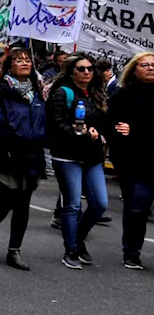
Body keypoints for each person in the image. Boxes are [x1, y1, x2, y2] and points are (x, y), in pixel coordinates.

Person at [0, 46, 46, 271]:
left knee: (23, 203)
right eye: (19, 60)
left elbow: (43, 122)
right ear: (9, 65)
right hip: (7, 155)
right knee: (5, 201)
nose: (25, 63)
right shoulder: (0, 90)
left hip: (32, 155)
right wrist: (7, 139)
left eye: (28, 60)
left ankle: (14, 250)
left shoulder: (37, 91)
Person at [46, 53, 108, 270]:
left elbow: (104, 122)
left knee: (100, 203)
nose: (87, 72)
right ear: (71, 71)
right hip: (67, 155)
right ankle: (71, 249)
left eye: (90, 68)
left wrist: (103, 133)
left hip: (92, 156)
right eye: (81, 69)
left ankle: (78, 238)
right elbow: (55, 123)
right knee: (72, 204)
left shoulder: (96, 93)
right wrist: (79, 133)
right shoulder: (63, 92)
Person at [108, 51, 154, 269]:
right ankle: (131, 252)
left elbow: (132, 130)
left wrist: (135, 130)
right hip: (137, 165)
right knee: (137, 210)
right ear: (134, 69)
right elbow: (115, 130)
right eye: (144, 65)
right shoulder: (123, 95)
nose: (150, 68)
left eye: (153, 65)